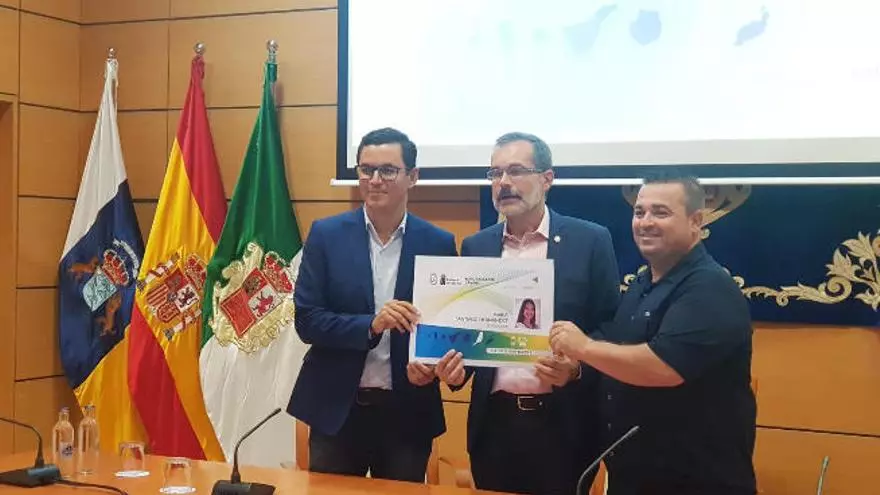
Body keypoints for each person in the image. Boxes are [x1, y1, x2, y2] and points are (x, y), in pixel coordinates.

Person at [434, 132, 621, 495]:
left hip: (564, 426)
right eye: (495, 173)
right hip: (494, 427)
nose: (503, 182)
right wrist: (454, 370)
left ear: (547, 179)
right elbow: (470, 334)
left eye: (516, 171)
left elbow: (611, 328)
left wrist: (577, 368)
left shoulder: (590, 240)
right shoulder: (477, 246)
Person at [549, 172, 757, 495]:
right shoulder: (642, 283)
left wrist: (583, 347)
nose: (645, 222)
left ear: (696, 221)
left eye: (660, 212)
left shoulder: (710, 288)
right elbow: (618, 352)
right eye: (639, 212)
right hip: (634, 478)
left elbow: (663, 367)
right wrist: (576, 369)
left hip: (696, 481)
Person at [287, 128, 457, 482]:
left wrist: (431, 366)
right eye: (366, 170)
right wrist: (371, 324)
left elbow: (446, 327)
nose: (375, 180)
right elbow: (308, 320)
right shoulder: (326, 235)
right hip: (337, 410)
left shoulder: (438, 243)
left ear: (413, 176)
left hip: (407, 412)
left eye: (388, 170)